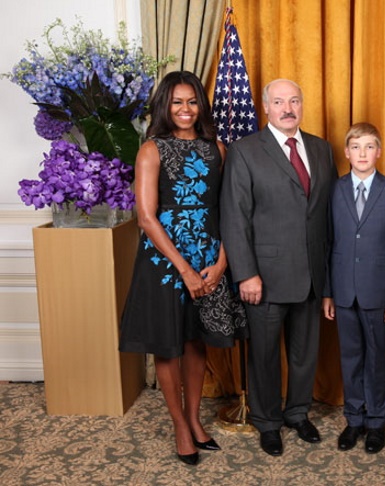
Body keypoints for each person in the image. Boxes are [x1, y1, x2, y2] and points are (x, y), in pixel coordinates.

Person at [119, 71, 243, 465]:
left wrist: (221, 263)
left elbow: (229, 210)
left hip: (208, 257)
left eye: (191, 101)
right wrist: (185, 270)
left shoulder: (217, 149)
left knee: (196, 340)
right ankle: (178, 424)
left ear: (201, 106)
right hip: (165, 261)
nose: (185, 109)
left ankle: (193, 418)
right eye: (177, 102)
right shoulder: (151, 149)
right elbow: (146, 217)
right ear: (165, 106)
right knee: (168, 344)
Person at [220, 78, 338, 457]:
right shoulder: (245, 151)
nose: (288, 109)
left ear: (302, 105)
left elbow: (329, 215)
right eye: (279, 102)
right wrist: (245, 273)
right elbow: (234, 217)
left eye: (294, 101)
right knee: (265, 355)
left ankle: (298, 412)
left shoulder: (321, 149)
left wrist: (331, 279)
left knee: (305, 354)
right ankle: (267, 421)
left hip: (313, 275)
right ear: (266, 108)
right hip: (265, 277)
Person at [322, 122, 385, 454]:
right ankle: (354, 419)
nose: (362, 153)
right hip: (344, 291)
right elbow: (329, 243)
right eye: (356, 147)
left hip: (379, 293)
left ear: (379, 152)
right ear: (346, 152)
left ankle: (376, 421)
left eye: (369, 147)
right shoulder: (334, 190)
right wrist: (328, 292)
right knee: (350, 357)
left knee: (376, 358)